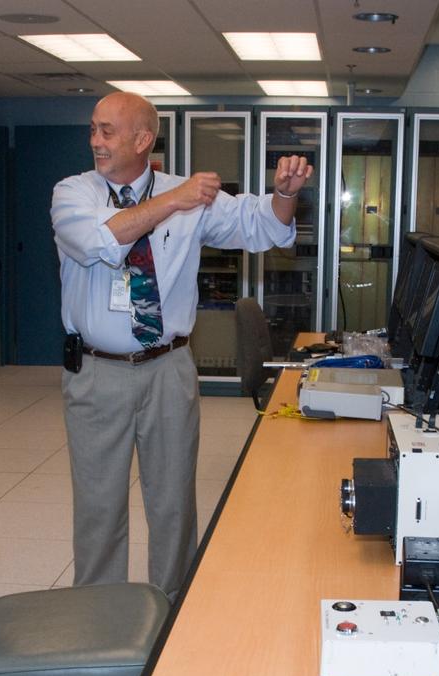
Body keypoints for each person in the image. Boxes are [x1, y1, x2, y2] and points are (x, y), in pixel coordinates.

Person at [51, 92, 312, 597]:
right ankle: (99, 619)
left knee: (172, 502)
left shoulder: (186, 196)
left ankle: (171, 611)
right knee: (99, 505)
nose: (95, 142)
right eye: (93, 130)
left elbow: (259, 226)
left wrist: (283, 194)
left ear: (142, 140)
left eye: (107, 131)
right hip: (97, 372)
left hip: (168, 368)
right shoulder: (74, 193)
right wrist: (175, 199)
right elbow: (101, 242)